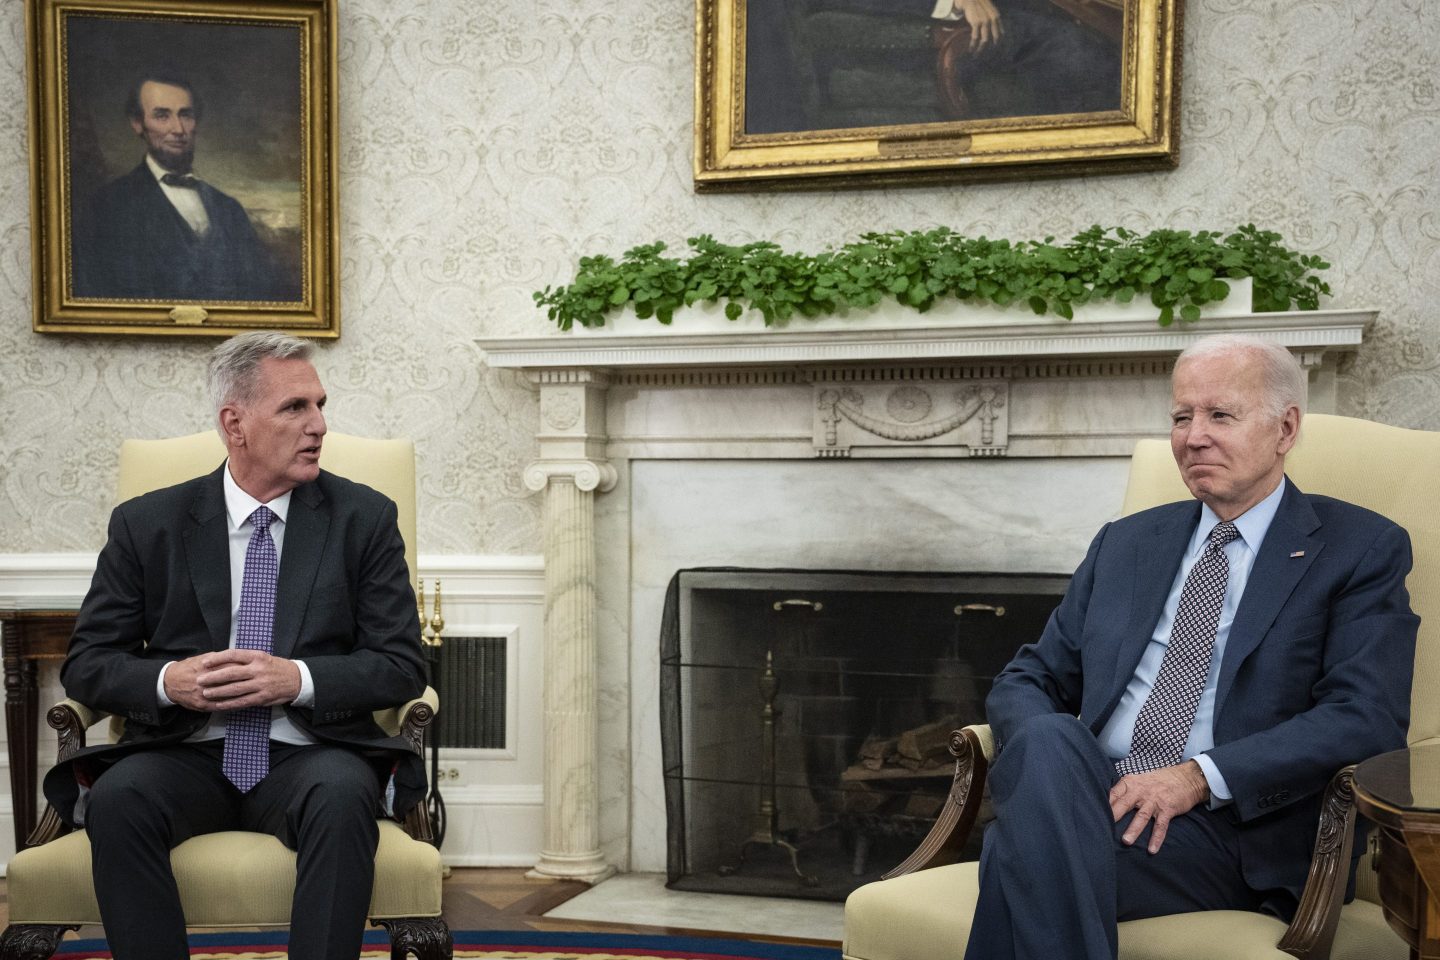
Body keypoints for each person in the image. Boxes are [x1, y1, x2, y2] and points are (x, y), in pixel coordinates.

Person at [964, 334, 1419, 960]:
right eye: (1181, 417)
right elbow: (1028, 679)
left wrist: (1197, 779)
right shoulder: (1125, 543)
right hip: (1095, 794)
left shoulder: (1358, 548)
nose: (1192, 436)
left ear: (1285, 428)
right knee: (1045, 741)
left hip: (1234, 832)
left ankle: (1048, 816)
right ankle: (1052, 807)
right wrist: (1062, 781)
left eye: (1219, 415)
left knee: (1016, 851)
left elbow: (1366, 717)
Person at [42, 331, 427, 960]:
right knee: (118, 798)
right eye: (295, 408)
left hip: (309, 753)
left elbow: (400, 664)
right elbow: (89, 663)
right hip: (183, 752)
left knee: (341, 790)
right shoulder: (148, 523)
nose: (320, 426)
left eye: (320, 405)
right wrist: (170, 682)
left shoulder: (364, 519)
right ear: (235, 423)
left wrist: (295, 679)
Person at [71, 73, 298, 302]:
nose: (178, 129)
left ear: (196, 122)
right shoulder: (106, 206)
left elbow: (262, 294)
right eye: (162, 116)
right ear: (138, 124)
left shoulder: (230, 209)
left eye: (185, 115)